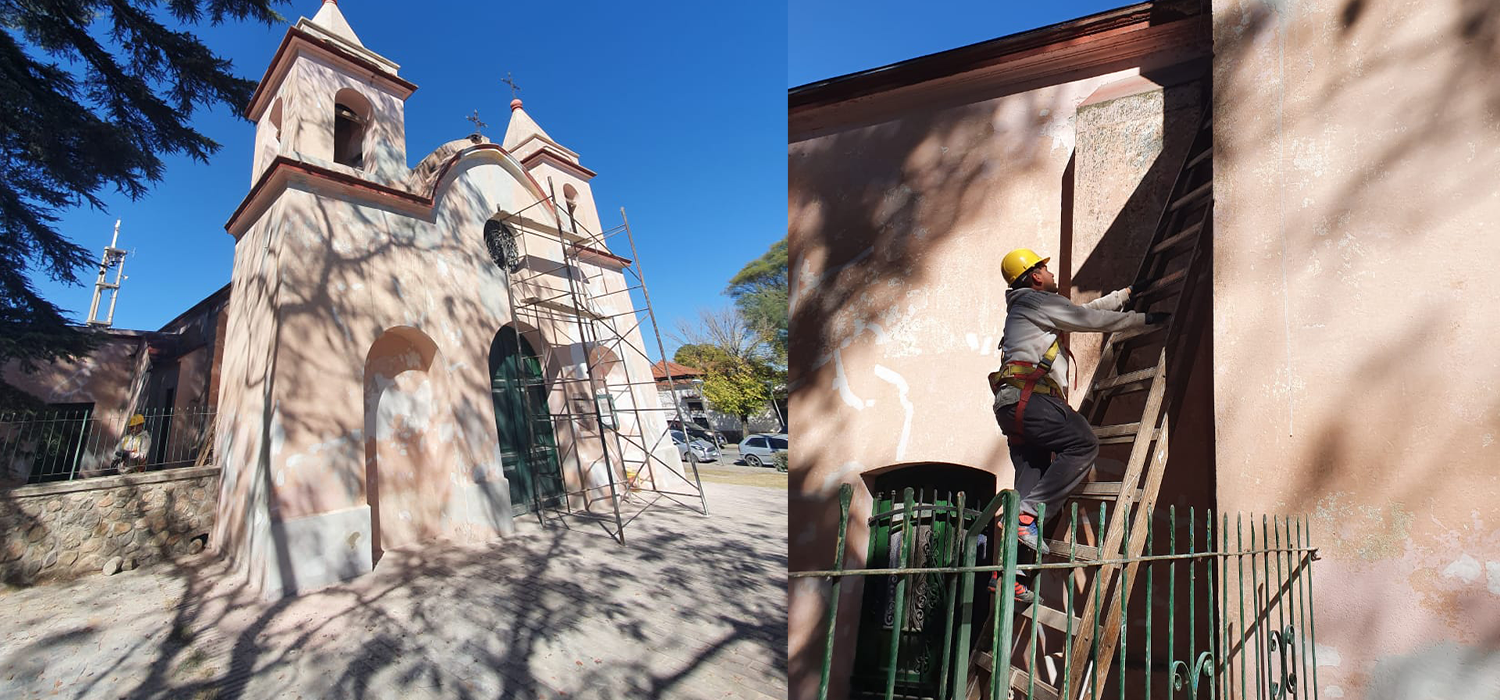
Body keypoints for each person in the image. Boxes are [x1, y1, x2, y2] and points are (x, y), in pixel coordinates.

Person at [987, 248, 1169, 601]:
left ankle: (1006, 574)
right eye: (1044, 267)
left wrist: (1125, 296)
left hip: (1015, 409)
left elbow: (1081, 313)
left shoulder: (1028, 307)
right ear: (1035, 276)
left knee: (1029, 488)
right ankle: (1026, 518)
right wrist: (1143, 320)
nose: (1051, 273)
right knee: (1083, 443)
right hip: (1032, 402)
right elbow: (1088, 322)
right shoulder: (1034, 301)